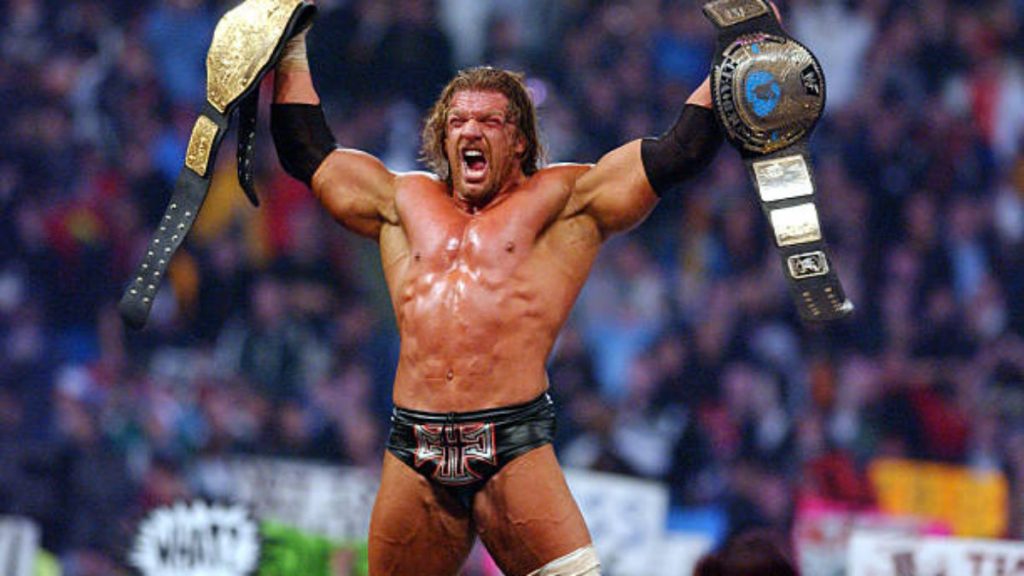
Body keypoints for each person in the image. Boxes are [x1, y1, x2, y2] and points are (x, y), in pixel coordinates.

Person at [269, 13, 723, 576]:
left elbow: (678, 151)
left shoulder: (564, 198)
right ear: (442, 137)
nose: (470, 130)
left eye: (489, 120)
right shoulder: (402, 200)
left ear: (520, 139)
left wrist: (734, 64)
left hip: (509, 444)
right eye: (458, 120)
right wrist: (288, 46)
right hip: (416, 444)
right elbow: (308, 152)